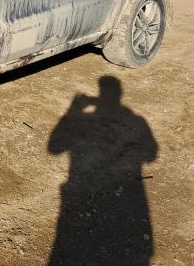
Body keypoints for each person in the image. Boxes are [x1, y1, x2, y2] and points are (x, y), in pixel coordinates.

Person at [48, 76, 158, 266]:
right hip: (124, 198)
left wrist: (73, 110)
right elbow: (150, 155)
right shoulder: (135, 120)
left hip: (82, 194)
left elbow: (54, 148)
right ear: (120, 94)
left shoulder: (85, 119)